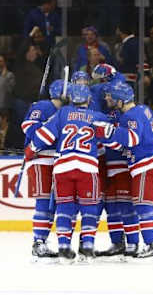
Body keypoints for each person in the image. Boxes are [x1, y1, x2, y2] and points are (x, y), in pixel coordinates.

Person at [24, 84, 109, 263]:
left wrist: (32, 148)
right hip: (87, 167)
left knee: (64, 206)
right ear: (88, 99)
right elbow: (112, 141)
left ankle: (63, 247)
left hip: (62, 167)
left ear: (71, 98)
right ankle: (87, 246)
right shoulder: (97, 116)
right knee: (89, 207)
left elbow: (43, 136)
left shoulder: (62, 114)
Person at [94, 82, 153, 260]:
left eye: (112, 96)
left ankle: (151, 245)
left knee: (143, 205)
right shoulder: (144, 109)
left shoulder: (128, 116)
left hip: (145, 165)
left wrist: (110, 131)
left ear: (120, 99)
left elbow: (132, 139)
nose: (109, 99)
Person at [20, 79, 65, 260]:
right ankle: (38, 242)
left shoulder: (64, 111)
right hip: (40, 159)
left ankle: (43, 241)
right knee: (43, 201)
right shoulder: (42, 106)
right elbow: (29, 128)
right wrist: (50, 127)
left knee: (51, 204)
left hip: (55, 159)